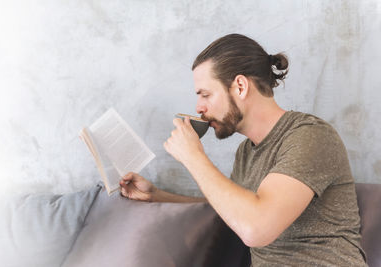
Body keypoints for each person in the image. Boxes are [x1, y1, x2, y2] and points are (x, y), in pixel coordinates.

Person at [119, 33, 367, 266]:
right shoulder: (246, 152)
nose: (198, 107)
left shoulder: (311, 136)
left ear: (240, 86)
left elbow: (255, 228)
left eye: (205, 95)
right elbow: (231, 208)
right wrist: (157, 196)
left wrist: (193, 156)